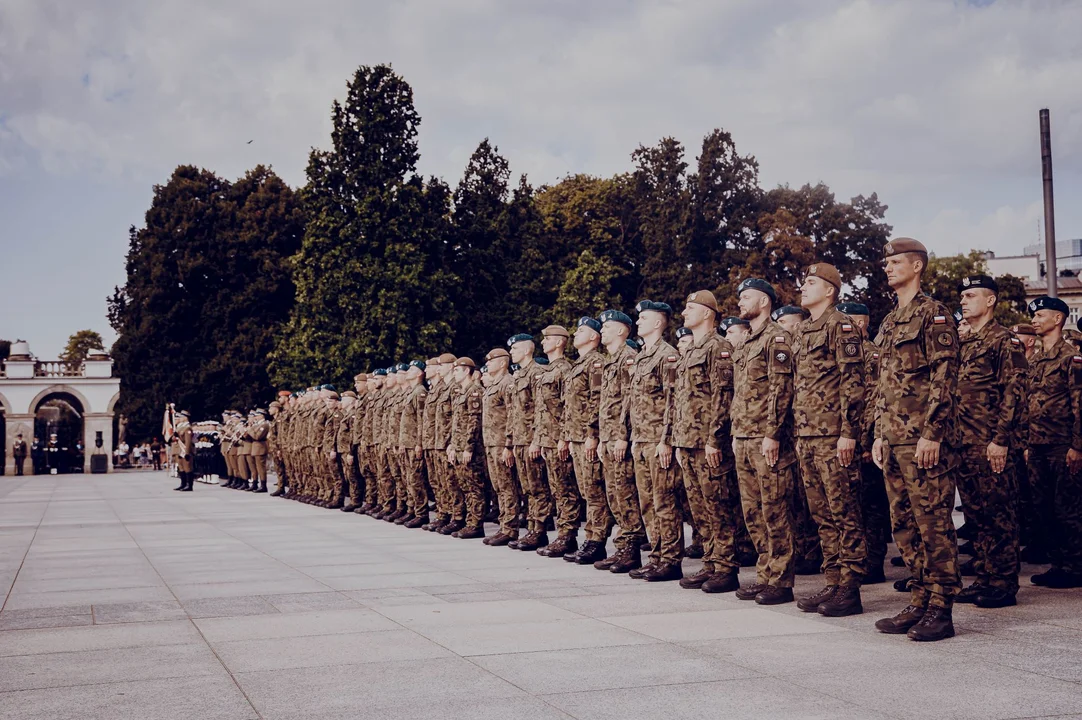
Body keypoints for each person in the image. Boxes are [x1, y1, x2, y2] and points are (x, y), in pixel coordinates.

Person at [871, 237, 962, 642]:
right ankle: (921, 596)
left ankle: (942, 607)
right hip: (893, 439)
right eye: (886, 262)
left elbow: (945, 378)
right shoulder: (890, 321)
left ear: (917, 266)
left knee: (934, 523)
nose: (887, 267)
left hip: (922, 440)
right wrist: (878, 433)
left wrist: (933, 433)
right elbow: (882, 383)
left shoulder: (934, 315)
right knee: (904, 524)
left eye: (895, 262)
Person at [792, 264, 868, 616]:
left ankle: (850, 588)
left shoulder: (842, 326)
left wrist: (848, 433)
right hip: (807, 436)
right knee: (822, 515)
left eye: (811, 283)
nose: (803, 288)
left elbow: (853, 384)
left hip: (833, 436)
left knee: (844, 512)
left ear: (830, 291)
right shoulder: (804, 329)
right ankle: (834, 581)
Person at [953, 274, 1026, 608]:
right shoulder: (965, 342)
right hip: (964, 442)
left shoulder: (1004, 341)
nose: (964, 301)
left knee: (999, 515)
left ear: (991, 300)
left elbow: (1015, 393)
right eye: (962, 296)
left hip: (990, 443)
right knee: (976, 515)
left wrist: (1001, 440)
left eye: (971, 295)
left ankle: (1003, 582)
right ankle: (984, 575)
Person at [667, 290, 743, 594]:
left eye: (690, 308)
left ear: (708, 313)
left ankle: (726, 567)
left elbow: (723, 398)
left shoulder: (718, 348)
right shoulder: (689, 351)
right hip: (687, 440)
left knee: (718, 505)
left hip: (707, 443)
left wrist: (715, 439)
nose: (685, 313)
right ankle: (711, 562)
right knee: (699, 508)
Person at [731, 278, 799, 606]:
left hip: (765, 438)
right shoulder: (744, 343)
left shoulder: (777, 338)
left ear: (765, 301)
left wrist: (772, 433)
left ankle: (781, 579)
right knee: (752, 511)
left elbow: (780, 389)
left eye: (747, 297)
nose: (741, 302)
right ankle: (763, 573)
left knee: (774, 508)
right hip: (743, 437)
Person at [1024, 295, 1082, 589]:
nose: (1034, 320)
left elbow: (1079, 405)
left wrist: (1077, 445)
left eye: (1039, 315)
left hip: (1062, 445)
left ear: (1058, 318)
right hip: (1037, 445)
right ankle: (1059, 564)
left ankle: (1074, 565)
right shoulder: (1035, 360)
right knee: (1043, 507)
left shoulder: (1070, 357)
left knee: (1067, 508)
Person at [628, 299, 684, 582]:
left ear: (659, 323)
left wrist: (667, 440)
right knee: (648, 502)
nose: (638, 322)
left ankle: (672, 559)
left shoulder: (668, 356)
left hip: (657, 440)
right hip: (640, 439)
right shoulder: (641, 357)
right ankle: (657, 556)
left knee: (665, 501)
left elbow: (674, 401)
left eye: (644, 318)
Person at [561, 317, 610, 565]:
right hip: (577, 437)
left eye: (581, 331)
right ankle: (590, 537)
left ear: (593, 337)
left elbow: (597, 400)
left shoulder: (596, 362)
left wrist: (593, 434)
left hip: (587, 437)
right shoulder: (578, 365)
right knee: (586, 491)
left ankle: (596, 541)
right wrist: (568, 437)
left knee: (594, 490)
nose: (575, 334)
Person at [532, 325, 583, 558]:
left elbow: (568, 408)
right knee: (556, 488)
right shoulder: (548, 370)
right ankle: (562, 533)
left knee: (565, 488)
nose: (543, 343)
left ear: (560, 342)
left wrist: (564, 437)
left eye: (548, 339)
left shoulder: (564, 369)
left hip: (559, 439)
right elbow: (541, 411)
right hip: (548, 439)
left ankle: (568, 535)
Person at [507, 333, 552, 550]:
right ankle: (532, 528)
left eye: (515, 349)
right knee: (527, 488)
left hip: (531, 440)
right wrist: (510, 443)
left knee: (538, 487)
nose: (511, 353)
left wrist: (537, 440)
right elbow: (513, 413)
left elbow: (541, 410)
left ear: (526, 350)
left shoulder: (537, 374)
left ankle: (540, 530)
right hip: (519, 440)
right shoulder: (519, 376)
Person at [481, 348, 519, 545]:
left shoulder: (507, 383)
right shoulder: (493, 385)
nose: (488, 364)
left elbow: (513, 415)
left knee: (507, 487)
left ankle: (510, 529)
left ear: (503, 363)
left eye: (492, 360)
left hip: (502, 443)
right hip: (491, 443)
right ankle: (504, 526)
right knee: (499, 487)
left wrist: (509, 444)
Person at [173, 410, 195, 491]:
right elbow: (174, 439)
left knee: (187, 468)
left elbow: (188, 441)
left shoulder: (187, 427)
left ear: (186, 418)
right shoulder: (180, 427)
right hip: (180, 450)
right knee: (181, 467)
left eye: (182, 417)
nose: (180, 418)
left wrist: (187, 452)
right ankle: (183, 484)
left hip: (184, 450)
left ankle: (189, 485)